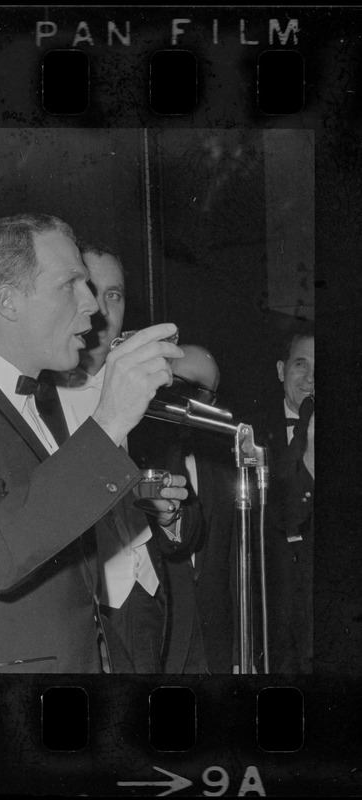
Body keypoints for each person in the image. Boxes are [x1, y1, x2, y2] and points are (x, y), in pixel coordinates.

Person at [0, 214, 187, 673]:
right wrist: (107, 422)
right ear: (9, 301)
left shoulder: (35, 402)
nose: (92, 305)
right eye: (71, 284)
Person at [57, 245, 204, 673]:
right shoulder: (35, 400)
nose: (101, 311)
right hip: (77, 607)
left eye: (115, 295)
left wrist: (168, 515)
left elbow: (190, 527)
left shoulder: (151, 396)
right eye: (89, 289)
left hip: (147, 598)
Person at [128, 344, 240, 672]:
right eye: (177, 383)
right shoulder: (126, 456)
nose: (185, 398)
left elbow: (233, 562)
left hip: (214, 649)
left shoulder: (224, 469)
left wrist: (236, 655)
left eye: (199, 390)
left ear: (212, 401)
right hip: (155, 643)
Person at [257, 330, 315, 672]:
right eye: (300, 364)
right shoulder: (249, 428)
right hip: (270, 600)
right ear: (281, 370)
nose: (310, 379)